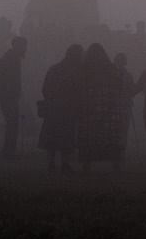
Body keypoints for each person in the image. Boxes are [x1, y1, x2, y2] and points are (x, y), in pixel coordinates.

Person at [77, 43, 126, 171]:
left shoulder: (85, 69)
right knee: (109, 135)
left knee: (90, 134)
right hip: (109, 108)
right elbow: (119, 85)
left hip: (90, 109)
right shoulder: (110, 69)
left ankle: (87, 162)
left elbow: (80, 86)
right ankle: (115, 161)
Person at [40, 44, 83, 173]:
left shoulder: (54, 69)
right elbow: (78, 90)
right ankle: (65, 163)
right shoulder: (75, 71)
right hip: (68, 108)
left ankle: (51, 163)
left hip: (54, 107)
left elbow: (45, 89)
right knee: (66, 136)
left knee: (52, 135)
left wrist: (51, 99)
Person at [0, 36, 27, 159]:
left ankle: (9, 149)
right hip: (9, 95)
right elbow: (12, 80)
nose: (25, 49)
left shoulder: (11, 59)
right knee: (12, 122)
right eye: (24, 46)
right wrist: (14, 91)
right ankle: (8, 150)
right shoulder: (13, 60)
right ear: (18, 46)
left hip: (7, 95)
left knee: (12, 122)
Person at [114, 52, 137, 154]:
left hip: (124, 105)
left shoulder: (128, 76)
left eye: (121, 61)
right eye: (119, 61)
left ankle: (121, 150)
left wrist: (129, 94)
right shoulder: (112, 74)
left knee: (123, 129)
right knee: (115, 129)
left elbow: (132, 90)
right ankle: (116, 150)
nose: (120, 63)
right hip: (114, 106)